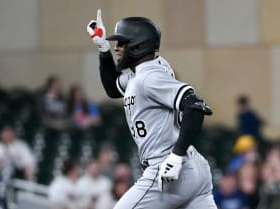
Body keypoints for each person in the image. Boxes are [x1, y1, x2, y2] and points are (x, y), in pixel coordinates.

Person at [87, 10, 216, 209]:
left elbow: (195, 106)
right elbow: (113, 88)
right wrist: (103, 48)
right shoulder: (143, 72)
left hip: (168, 166)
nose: (117, 48)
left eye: (122, 43)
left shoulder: (148, 78)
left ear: (138, 46)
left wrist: (176, 155)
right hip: (194, 168)